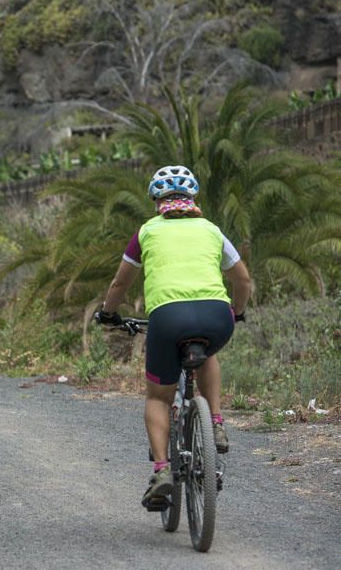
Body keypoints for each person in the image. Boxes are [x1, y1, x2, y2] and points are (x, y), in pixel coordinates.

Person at [94, 165, 253, 509]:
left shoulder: (147, 232)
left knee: (158, 397)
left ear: (157, 201)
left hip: (167, 318)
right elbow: (243, 281)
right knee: (207, 352)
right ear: (192, 198)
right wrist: (236, 312)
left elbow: (120, 284)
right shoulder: (212, 230)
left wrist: (108, 313)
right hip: (216, 316)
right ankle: (216, 421)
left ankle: (162, 470)